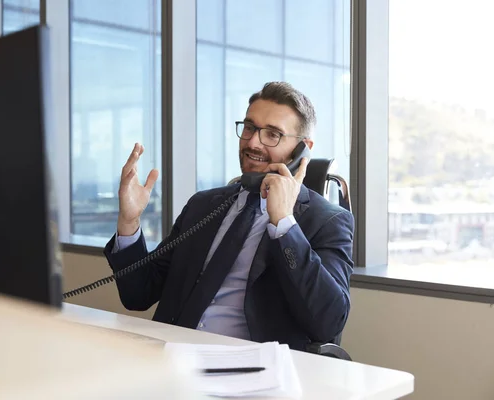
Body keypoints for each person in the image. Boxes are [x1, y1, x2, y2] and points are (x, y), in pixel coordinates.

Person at [104, 82, 354, 351]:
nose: (253, 142)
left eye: (272, 134)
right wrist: (129, 223)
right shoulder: (203, 205)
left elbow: (328, 323)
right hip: (172, 360)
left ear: (302, 149)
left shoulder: (326, 221)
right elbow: (138, 295)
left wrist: (284, 224)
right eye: (249, 128)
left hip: (253, 374)